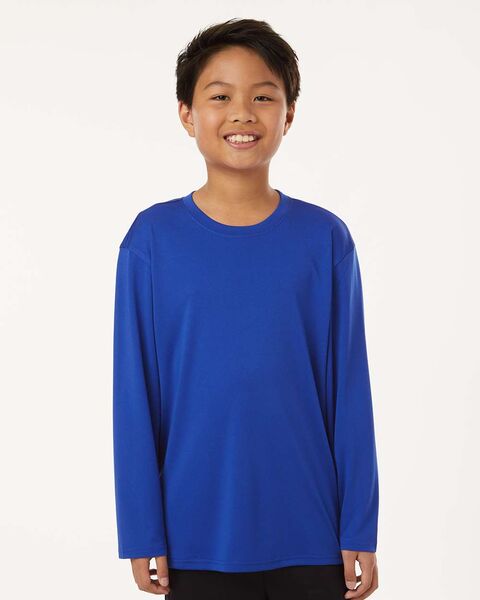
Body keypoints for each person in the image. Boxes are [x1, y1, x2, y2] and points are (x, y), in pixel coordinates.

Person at [112, 17, 380, 600]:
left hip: (312, 535)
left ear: (289, 114)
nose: (242, 114)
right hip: (192, 536)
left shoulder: (325, 239)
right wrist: (140, 528)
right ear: (187, 114)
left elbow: (349, 392)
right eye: (220, 97)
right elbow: (134, 396)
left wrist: (359, 523)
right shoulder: (152, 241)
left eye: (262, 97)